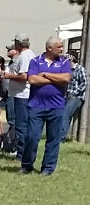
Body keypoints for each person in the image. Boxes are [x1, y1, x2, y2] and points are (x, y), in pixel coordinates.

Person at [20, 36, 72, 176]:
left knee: (53, 139)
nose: (62, 49)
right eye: (59, 47)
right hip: (36, 106)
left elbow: (66, 78)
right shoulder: (35, 61)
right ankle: (26, 165)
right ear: (49, 47)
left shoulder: (64, 62)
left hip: (57, 106)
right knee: (32, 136)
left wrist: (45, 74)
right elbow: (32, 79)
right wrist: (55, 79)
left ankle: (48, 168)